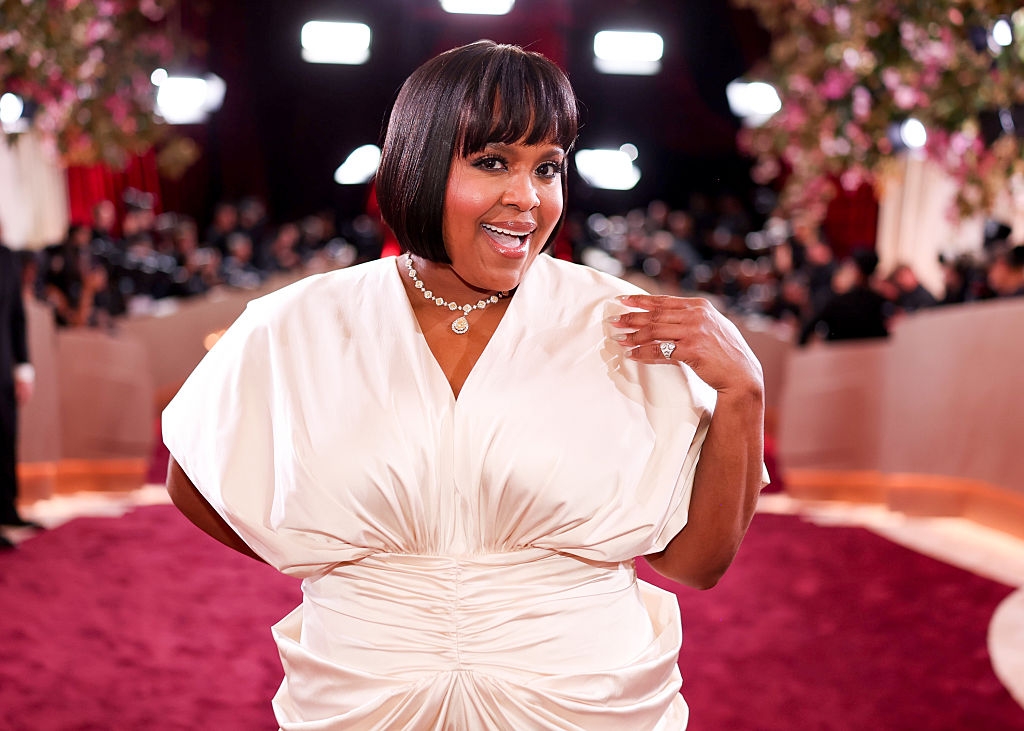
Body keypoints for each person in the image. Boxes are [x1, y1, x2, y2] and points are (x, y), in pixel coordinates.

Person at [162, 40, 766, 729]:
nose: (527, 198)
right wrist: (349, 571)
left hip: (583, 697)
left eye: (547, 167)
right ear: (417, 164)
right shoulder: (299, 322)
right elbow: (194, 479)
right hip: (363, 693)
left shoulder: (623, 322)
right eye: (492, 162)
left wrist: (743, 392)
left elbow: (695, 564)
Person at [0, 238, 37, 549]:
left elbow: (16, 316)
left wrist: (23, 367)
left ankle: (6, 509)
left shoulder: (8, 257)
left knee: (6, 437)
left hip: (3, 368)